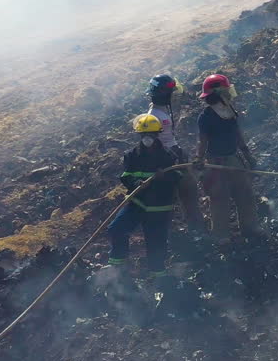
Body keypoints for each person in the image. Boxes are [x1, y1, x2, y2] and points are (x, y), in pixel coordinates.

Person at [107, 114, 182, 278]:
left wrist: (165, 177)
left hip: (159, 207)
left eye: (151, 134)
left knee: (156, 243)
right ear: (139, 135)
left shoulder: (168, 156)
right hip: (137, 202)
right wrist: (136, 183)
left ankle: (158, 277)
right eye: (144, 135)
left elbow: (178, 177)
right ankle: (118, 269)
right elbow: (126, 176)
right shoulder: (132, 155)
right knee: (116, 229)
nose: (148, 138)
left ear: (157, 134)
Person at [194, 74, 261, 243]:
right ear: (218, 93)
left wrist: (247, 155)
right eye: (226, 90)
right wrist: (200, 159)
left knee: (245, 193)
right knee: (219, 199)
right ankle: (221, 236)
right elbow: (203, 141)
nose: (229, 93)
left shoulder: (229, 111)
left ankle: (250, 227)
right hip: (216, 164)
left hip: (233, 159)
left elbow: (237, 135)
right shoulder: (206, 117)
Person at [146, 75, 205, 233]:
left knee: (190, 193)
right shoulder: (154, 116)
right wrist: (160, 164)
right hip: (167, 163)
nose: (174, 96)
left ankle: (197, 229)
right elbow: (151, 145)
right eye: (171, 92)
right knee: (181, 196)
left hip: (175, 159)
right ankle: (189, 232)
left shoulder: (161, 112)